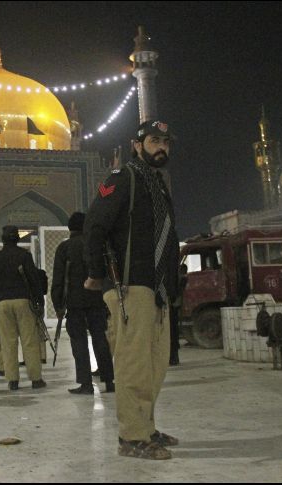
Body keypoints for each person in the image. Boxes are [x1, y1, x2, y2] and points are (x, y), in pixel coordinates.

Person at [84, 120, 181, 460]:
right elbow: (94, 224)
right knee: (134, 364)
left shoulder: (156, 184)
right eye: (154, 141)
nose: (162, 147)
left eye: (165, 142)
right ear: (137, 145)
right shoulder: (122, 177)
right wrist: (96, 274)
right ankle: (132, 437)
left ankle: (146, 427)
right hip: (130, 284)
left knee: (155, 365)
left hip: (157, 287)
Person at [52, 211, 115, 394]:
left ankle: (86, 383)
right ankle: (109, 381)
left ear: (69, 228)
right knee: (100, 339)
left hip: (74, 302)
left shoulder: (64, 247)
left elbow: (58, 278)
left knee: (78, 342)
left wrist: (58, 305)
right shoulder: (95, 244)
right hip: (97, 299)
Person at [0, 225, 46, 390]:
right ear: (17, 239)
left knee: (7, 342)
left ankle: (12, 379)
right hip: (23, 301)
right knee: (29, 340)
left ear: (2, 239)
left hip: (2, 303)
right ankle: (36, 379)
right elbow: (33, 280)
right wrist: (40, 301)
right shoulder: (24, 256)